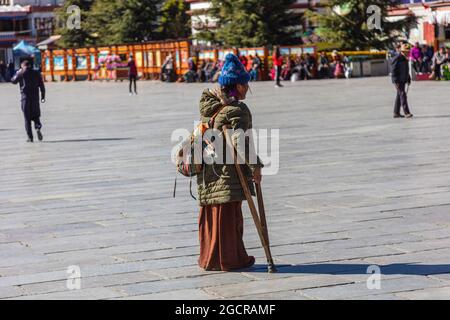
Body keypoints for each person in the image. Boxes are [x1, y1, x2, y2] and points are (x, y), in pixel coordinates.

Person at [196, 53, 263, 271]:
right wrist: (255, 166)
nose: (248, 89)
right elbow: (241, 143)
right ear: (237, 86)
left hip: (209, 172)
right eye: (246, 85)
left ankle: (210, 259)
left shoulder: (211, 107)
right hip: (228, 173)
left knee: (213, 216)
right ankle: (231, 260)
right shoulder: (236, 110)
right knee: (229, 218)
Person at [11, 59, 46, 142]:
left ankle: (30, 138)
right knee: (36, 116)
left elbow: (13, 81)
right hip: (35, 99)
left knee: (27, 119)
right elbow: (42, 86)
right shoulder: (36, 73)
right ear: (30, 65)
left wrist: (17, 73)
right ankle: (38, 127)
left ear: (22, 66)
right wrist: (43, 97)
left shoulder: (21, 73)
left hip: (25, 99)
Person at [391, 43, 413, 119]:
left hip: (403, 79)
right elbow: (393, 70)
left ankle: (396, 113)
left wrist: (408, 78)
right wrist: (395, 81)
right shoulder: (397, 58)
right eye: (406, 51)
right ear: (402, 51)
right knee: (403, 95)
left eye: (408, 51)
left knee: (399, 95)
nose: (408, 53)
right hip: (398, 80)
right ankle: (407, 112)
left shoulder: (405, 59)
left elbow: (406, 70)